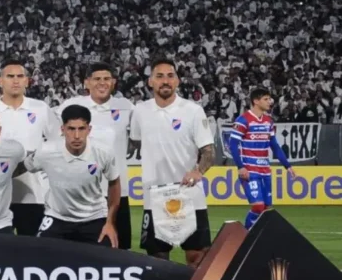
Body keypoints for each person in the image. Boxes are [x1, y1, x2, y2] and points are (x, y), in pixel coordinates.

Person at [130, 58, 215, 269]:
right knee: (156, 261)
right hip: (155, 198)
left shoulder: (193, 111)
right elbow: (135, 141)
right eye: (159, 76)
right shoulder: (140, 111)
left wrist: (198, 171)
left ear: (177, 81)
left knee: (197, 258)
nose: (165, 81)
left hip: (190, 196)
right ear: (150, 82)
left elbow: (209, 152)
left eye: (170, 76)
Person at [55, 62, 135, 249]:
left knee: (121, 251)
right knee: (80, 251)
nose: (102, 83)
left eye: (107, 79)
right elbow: (53, 135)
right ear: (86, 83)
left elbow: (138, 137)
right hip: (81, 192)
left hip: (116, 191)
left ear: (113, 82)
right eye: (97, 79)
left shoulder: (126, 107)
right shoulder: (72, 105)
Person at [0, 58, 54, 236]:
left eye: (20, 76)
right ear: (0, 81)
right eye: (10, 76)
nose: (16, 80)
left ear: (27, 80)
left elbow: (57, 143)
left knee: (34, 253)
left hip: (35, 195)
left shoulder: (41, 108)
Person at [24, 105, 120, 247]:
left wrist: (110, 223)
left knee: (107, 261)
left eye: (81, 129)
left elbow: (114, 183)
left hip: (94, 217)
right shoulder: (46, 151)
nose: (76, 136)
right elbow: (24, 165)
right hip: (57, 217)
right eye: (71, 129)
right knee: (40, 257)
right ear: (62, 130)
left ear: (89, 130)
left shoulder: (103, 152)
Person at [228, 87, 296, 230]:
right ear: (256, 101)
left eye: (269, 99)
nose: (269, 102)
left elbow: (275, 146)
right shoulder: (243, 120)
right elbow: (233, 144)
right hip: (250, 170)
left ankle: (256, 238)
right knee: (258, 206)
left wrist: (287, 165)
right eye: (266, 99)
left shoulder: (268, 121)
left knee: (266, 208)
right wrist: (240, 166)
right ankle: (246, 236)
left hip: (265, 170)